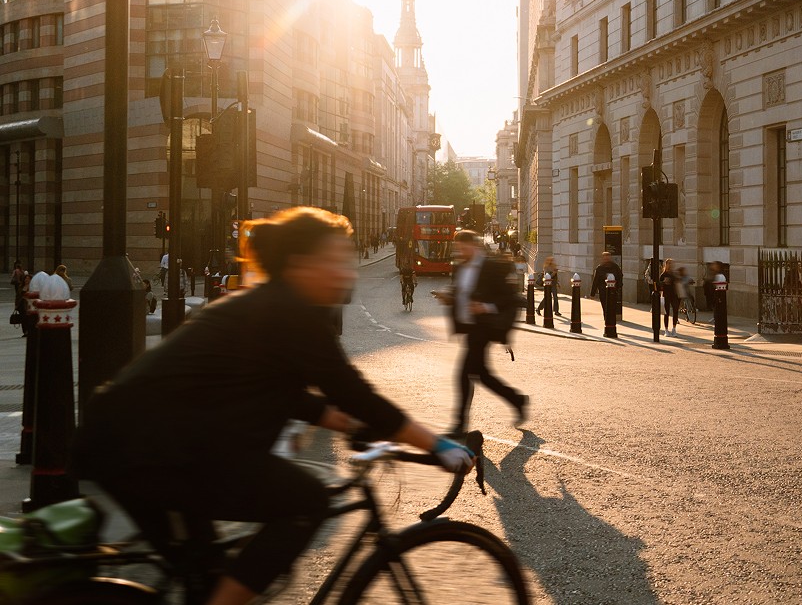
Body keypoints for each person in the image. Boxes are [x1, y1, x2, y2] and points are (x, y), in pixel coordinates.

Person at [73, 206, 473, 605]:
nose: (347, 272)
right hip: (152, 449)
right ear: (301, 264)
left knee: (203, 573)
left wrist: (349, 426)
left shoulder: (267, 303)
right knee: (306, 502)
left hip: (129, 437)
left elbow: (288, 392)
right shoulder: (291, 313)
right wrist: (438, 446)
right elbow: (355, 394)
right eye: (335, 261)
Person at [435, 229, 527, 434]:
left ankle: (459, 424)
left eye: (463, 248)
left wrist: (485, 307)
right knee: (482, 375)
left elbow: (509, 298)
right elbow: (459, 291)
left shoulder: (491, 267)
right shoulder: (459, 268)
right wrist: (448, 296)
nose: (459, 252)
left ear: (474, 246)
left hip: (484, 327)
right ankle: (517, 400)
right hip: (469, 328)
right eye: (457, 248)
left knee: (463, 373)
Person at [589, 250, 624, 319]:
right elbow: (595, 281)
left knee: (613, 305)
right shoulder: (599, 268)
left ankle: (611, 318)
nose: (607, 260)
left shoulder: (615, 267)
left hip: (613, 290)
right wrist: (592, 293)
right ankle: (607, 318)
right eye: (605, 258)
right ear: (603, 259)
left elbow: (620, 276)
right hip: (603, 290)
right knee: (604, 305)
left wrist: (619, 286)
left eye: (608, 258)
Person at [658, 258, 680, 334]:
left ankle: (674, 328)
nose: (670, 265)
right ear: (666, 265)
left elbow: (677, 282)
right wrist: (663, 282)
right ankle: (666, 329)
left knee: (675, 311)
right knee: (666, 312)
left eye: (672, 264)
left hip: (674, 294)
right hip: (666, 295)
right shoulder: (663, 275)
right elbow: (658, 285)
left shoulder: (674, 274)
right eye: (669, 264)